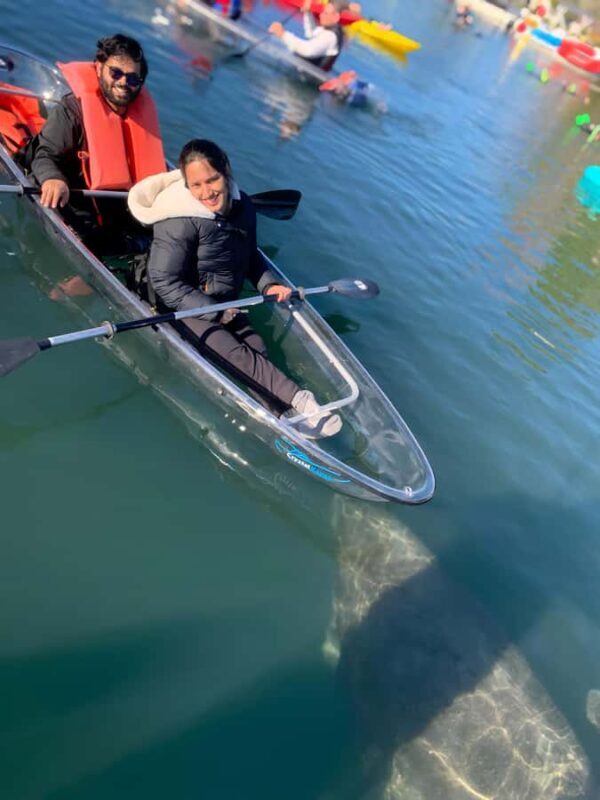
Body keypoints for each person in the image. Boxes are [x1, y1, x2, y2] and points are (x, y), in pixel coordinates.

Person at [127, 139, 343, 438]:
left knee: (257, 348)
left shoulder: (245, 208)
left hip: (222, 301)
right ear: (187, 186)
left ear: (226, 171)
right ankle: (300, 401)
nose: (207, 192)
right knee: (235, 354)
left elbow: (250, 255)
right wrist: (212, 312)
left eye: (213, 180)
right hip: (174, 304)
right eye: (197, 185)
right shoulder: (178, 222)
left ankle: (279, 416)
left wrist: (270, 283)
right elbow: (165, 280)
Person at [22, 34, 165, 256]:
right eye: (115, 73)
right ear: (98, 68)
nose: (123, 83)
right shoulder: (72, 111)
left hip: (121, 218)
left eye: (133, 79)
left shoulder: (141, 121)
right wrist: (53, 178)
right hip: (75, 205)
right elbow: (45, 154)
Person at [269, 0, 344, 71]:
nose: (321, 15)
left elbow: (308, 50)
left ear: (336, 17)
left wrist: (283, 34)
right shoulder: (327, 31)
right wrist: (307, 12)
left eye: (325, 13)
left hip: (304, 79)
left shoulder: (330, 36)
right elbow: (311, 34)